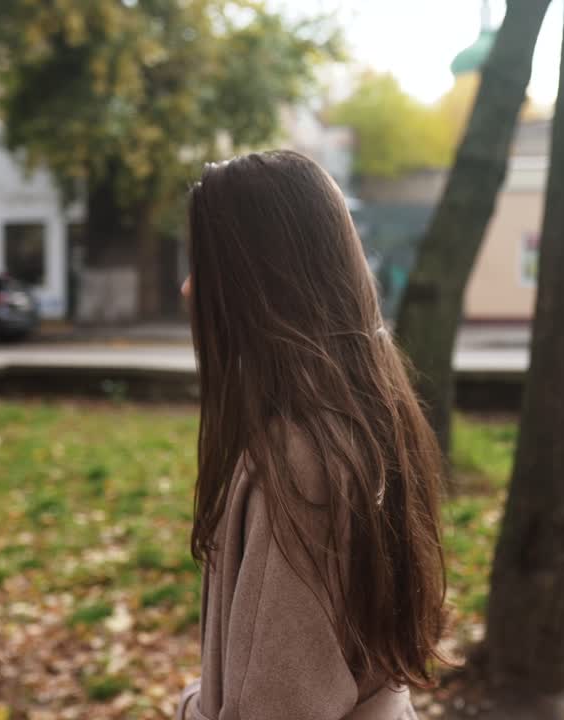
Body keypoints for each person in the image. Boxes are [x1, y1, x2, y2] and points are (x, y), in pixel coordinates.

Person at [176, 151, 446, 720]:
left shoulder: (297, 468)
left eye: (205, 263)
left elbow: (277, 707)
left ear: (256, 282)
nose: (187, 288)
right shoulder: (366, 417)